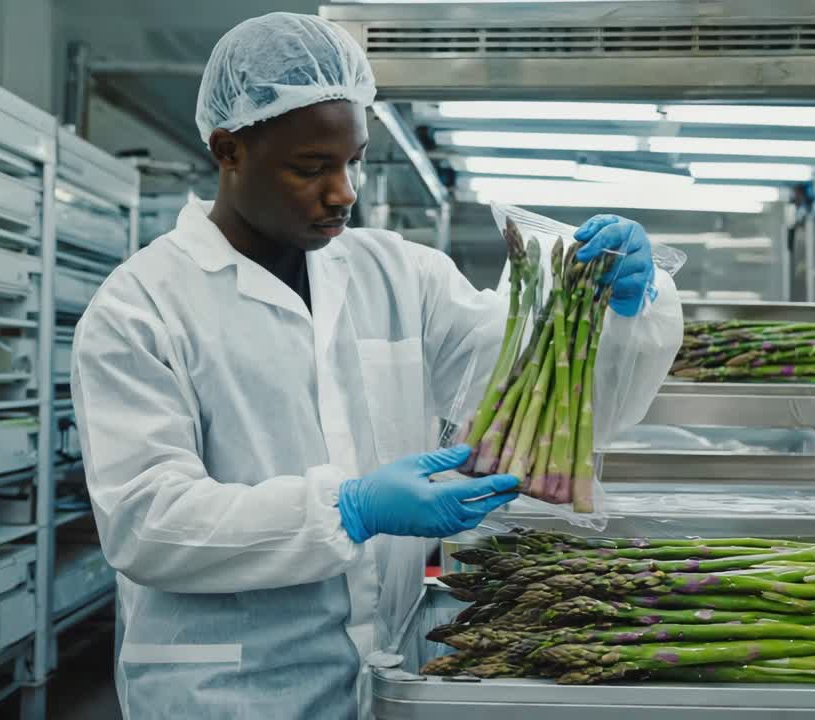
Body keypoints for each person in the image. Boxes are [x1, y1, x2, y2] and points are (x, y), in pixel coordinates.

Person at [70, 11, 680, 720]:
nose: (344, 192)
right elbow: (148, 523)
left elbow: (522, 383)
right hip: (224, 688)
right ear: (228, 151)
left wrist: (624, 310)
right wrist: (348, 509)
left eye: (353, 161)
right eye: (312, 168)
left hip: (381, 669)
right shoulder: (140, 308)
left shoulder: (397, 273)